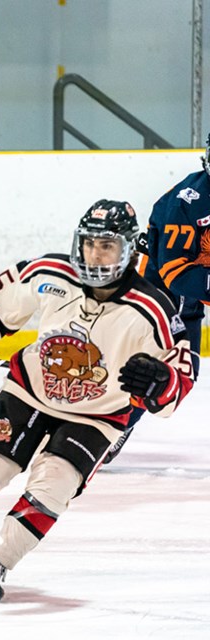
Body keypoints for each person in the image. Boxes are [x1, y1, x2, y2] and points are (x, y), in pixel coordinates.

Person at [0, 200, 193, 604]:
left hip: (98, 414)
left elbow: (181, 375)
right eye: (89, 244)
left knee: (53, 487)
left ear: (128, 249)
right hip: (28, 393)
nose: (95, 255)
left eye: (107, 246)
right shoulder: (50, 273)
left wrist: (161, 383)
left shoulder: (154, 308)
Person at [104, 136, 210, 463]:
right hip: (159, 299)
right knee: (168, 372)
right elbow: (176, 273)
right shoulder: (188, 202)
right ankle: (112, 426)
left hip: (188, 298)